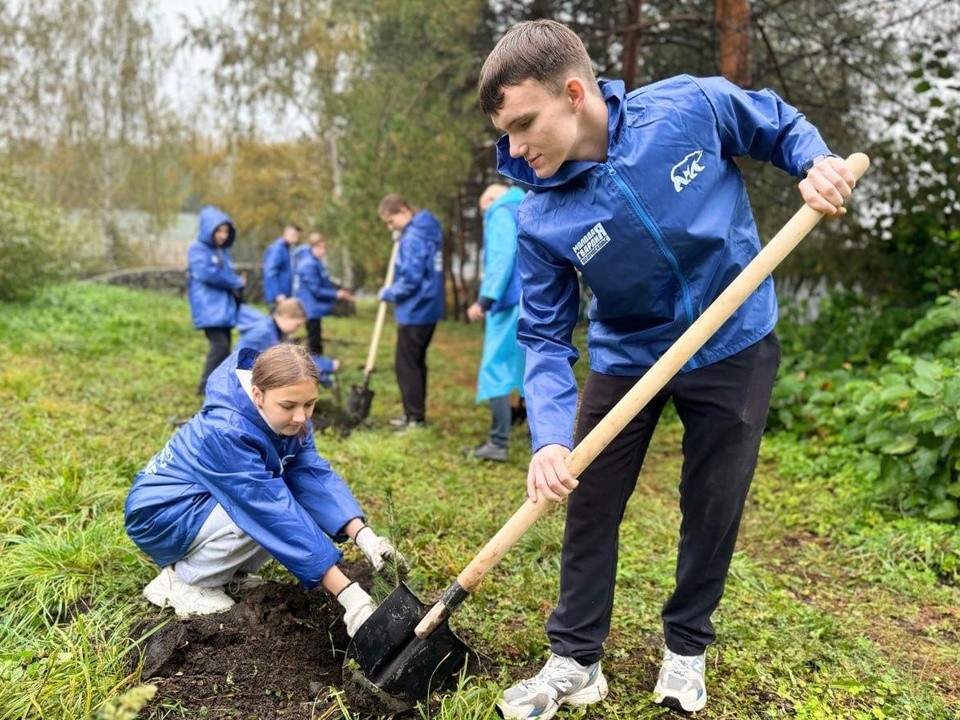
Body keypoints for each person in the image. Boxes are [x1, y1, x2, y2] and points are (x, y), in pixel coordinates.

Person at [477, 19, 856, 718]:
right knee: (587, 501)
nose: (517, 149)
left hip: (734, 338)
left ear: (573, 92)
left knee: (712, 502)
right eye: (507, 136)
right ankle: (576, 658)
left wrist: (816, 160)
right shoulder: (541, 219)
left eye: (526, 125)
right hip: (628, 356)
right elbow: (543, 335)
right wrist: (553, 437)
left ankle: (686, 649)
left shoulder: (688, 108)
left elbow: (774, 124)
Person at [124, 343, 404, 637]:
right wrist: (348, 594)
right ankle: (184, 583)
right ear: (257, 394)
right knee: (266, 512)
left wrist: (363, 535)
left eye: (309, 404)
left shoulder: (289, 421)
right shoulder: (226, 431)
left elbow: (310, 474)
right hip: (162, 514)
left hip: (203, 504)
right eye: (288, 406)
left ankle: (225, 573)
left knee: (280, 496)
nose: (301, 417)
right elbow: (268, 511)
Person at [466, 183, 526, 462]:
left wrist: (486, 299)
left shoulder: (501, 211)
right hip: (532, 298)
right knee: (531, 367)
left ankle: (498, 442)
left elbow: (502, 257)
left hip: (508, 301)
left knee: (496, 367)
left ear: (490, 199)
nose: (484, 215)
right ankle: (537, 438)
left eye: (483, 210)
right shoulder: (525, 205)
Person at [376, 194, 445, 429]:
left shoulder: (413, 237)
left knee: (405, 365)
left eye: (390, 221)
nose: (389, 227)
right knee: (416, 362)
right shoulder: (427, 230)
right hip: (429, 308)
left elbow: (411, 279)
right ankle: (416, 414)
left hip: (415, 310)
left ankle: (414, 417)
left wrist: (389, 292)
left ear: (403, 211)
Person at [187, 205, 247, 396]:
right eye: (218, 231)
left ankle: (217, 385)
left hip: (223, 308)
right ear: (208, 230)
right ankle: (204, 387)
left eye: (226, 231)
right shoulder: (198, 249)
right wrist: (236, 281)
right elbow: (208, 274)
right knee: (219, 346)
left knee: (225, 347)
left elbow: (223, 273)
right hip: (209, 307)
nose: (222, 235)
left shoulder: (222, 252)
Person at [237, 297, 340, 387]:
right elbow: (290, 359)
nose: (297, 329)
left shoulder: (274, 329)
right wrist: (328, 368)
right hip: (242, 381)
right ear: (286, 317)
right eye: (297, 325)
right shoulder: (266, 333)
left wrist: (326, 367)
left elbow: (296, 354)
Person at [295, 230, 355, 357]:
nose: (323, 251)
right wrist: (336, 295)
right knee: (314, 342)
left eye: (324, 248)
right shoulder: (308, 265)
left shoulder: (316, 262)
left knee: (316, 340)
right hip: (309, 308)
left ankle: (319, 368)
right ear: (312, 247)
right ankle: (315, 370)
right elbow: (316, 290)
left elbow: (324, 283)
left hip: (315, 308)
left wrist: (339, 292)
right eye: (320, 248)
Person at [262, 223, 301, 307]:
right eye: (293, 235)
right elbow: (270, 272)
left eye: (297, 236)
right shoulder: (278, 249)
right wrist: (277, 294)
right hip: (279, 297)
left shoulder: (289, 250)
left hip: (287, 296)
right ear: (285, 233)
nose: (295, 238)